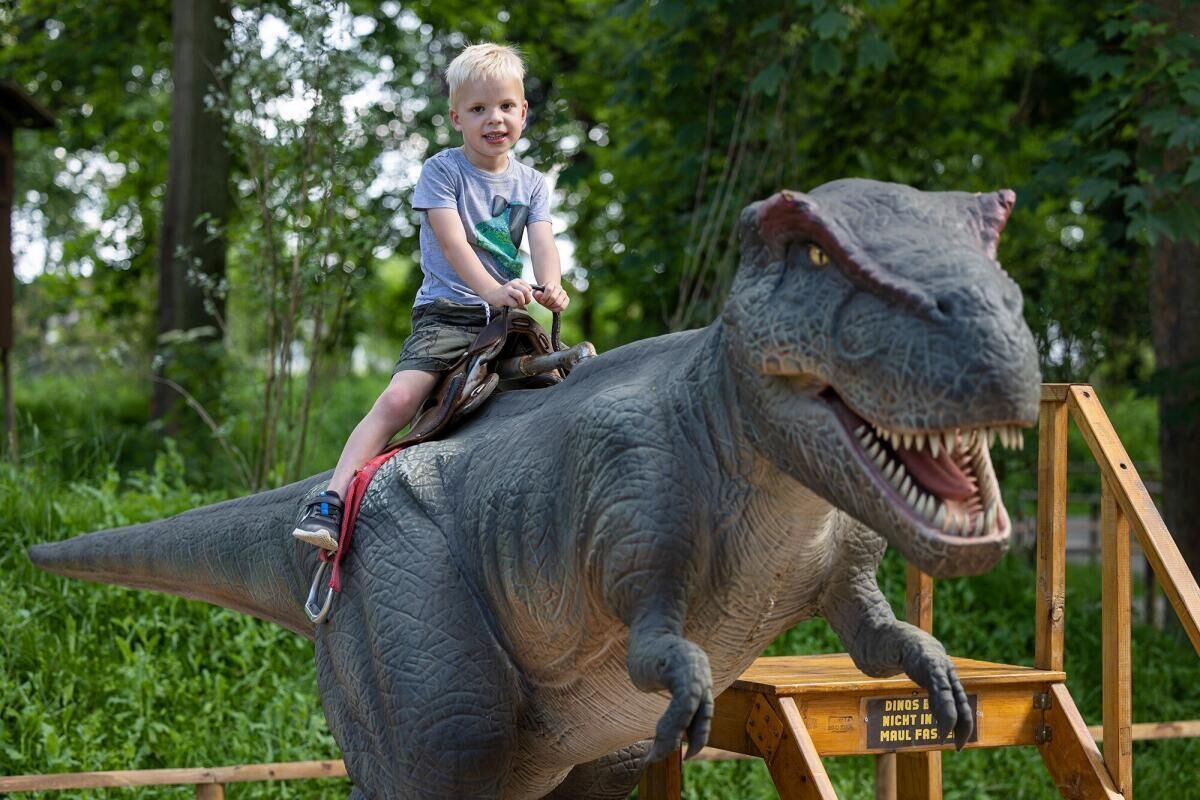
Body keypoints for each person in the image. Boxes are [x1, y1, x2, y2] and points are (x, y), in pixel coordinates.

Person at [292, 42, 570, 550]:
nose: (495, 118)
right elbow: (453, 244)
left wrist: (550, 285)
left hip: (507, 318)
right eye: (478, 109)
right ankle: (331, 499)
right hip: (448, 313)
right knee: (401, 397)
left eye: (506, 106)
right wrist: (492, 289)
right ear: (456, 118)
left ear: (524, 112)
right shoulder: (443, 172)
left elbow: (544, 242)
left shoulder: (531, 183)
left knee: (565, 388)